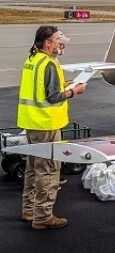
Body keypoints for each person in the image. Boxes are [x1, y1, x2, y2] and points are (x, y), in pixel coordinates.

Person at [18, 26, 87, 230]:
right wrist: (74, 92)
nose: (62, 44)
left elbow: (41, 88)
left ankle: (29, 210)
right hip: (46, 124)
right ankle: (43, 217)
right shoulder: (48, 64)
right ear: (48, 42)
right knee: (48, 171)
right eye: (59, 40)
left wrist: (64, 83)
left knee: (33, 168)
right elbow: (52, 97)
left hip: (32, 122)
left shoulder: (33, 60)